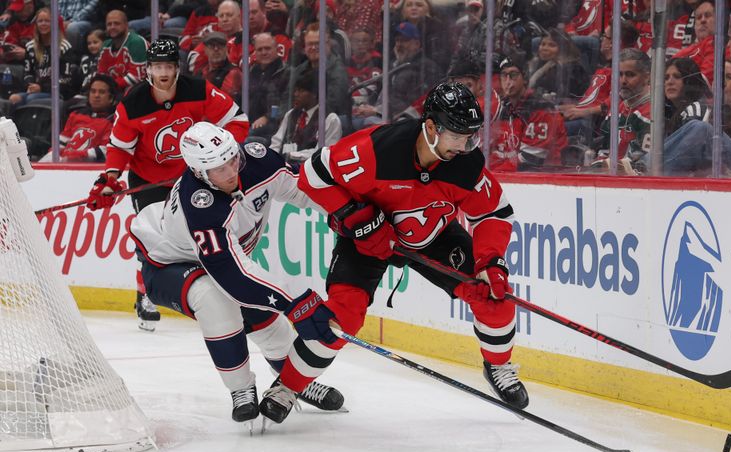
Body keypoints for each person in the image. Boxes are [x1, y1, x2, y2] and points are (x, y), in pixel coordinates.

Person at [267, 81, 529, 425]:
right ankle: (287, 387)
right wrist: (356, 216)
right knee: (340, 319)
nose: (466, 145)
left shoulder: (466, 163)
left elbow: (493, 214)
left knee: (495, 297)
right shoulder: (376, 148)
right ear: (431, 128)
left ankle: (498, 366)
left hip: (434, 237)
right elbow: (313, 177)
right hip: (367, 242)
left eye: (472, 136)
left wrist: (490, 261)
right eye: (458, 135)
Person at [129, 121, 345, 425]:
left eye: (232, 160)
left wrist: (343, 212)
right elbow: (234, 276)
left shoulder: (255, 159)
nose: (231, 172)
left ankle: (296, 381)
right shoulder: (199, 205)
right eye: (219, 169)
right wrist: (297, 302)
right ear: (199, 173)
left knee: (266, 318)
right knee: (216, 299)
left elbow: (301, 189)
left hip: (221, 262)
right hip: (168, 266)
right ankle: (241, 389)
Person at [85, 38, 250, 332]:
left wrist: (217, 156)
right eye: (157, 66)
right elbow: (120, 147)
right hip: (149, 178)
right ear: (148, 69)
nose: (163, 72)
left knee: (205, 230)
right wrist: (110, 179)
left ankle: (215, 291)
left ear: (177, 69)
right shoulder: (133, 103)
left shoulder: (199, 90)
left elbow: (237, 121)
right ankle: (145, 293)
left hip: (193, 177)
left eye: (168, 66)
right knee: (155, 237)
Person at [491, 56, 567, 171]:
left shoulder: (540, 107)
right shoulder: (501, 107)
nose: (508, 81)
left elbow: (531, 159)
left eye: (513, 75)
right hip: (510, 175)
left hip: (546, 177)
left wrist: (493, 172)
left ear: (525, 78)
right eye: (504, 75)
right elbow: (496, 151)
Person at [38, 74, 116, 162]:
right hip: (63, 161)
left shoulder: (114, 121)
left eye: (101, 92)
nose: (96, 95)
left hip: (86, 167)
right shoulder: (75, 115)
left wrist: (70, 157)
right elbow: (60, 143)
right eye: (93, 91)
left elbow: (105, 151)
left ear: (111, 98)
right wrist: (55, 154)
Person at [10, 7, 79, 106]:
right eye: (40, 21)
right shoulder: (30, 47)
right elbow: (28, 72)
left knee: (31, 99)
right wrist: (31, 85)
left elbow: (66, 79)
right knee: (14, 98)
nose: (43, 24)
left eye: (47, 21)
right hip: (36, 90)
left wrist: (42, 87)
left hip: (58, 92)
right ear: (36, 25)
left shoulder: (64, 47)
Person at [269, 72, 342, 163]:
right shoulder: (291, 114)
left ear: (314, 94)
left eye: (301, 91)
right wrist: (270, 158)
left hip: (310, 168)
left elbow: (324, 152)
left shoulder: (330, 119)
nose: (296, 94)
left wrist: (292, 155)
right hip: (284, 165)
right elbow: (276, 143)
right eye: (295, 90)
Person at [249, 32, 289, 139]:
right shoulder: (252, 72)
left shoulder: (286, 73)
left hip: (274, 124)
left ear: (277, 49)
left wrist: (267, 117)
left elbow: (286, 104)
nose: (264, 52)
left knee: (248, 136)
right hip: (250, 120)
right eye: (260, 49)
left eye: (267, 48)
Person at [97, 10, 148, 92]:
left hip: (140, 91)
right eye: (109, 24)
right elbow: (101, 74)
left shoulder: (136, 42)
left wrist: (109, 87)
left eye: (116, 23)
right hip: (113, 90)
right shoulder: (105, 46)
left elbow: (137, 77)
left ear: (126, 25)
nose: (112, 27)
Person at [200, 31, 242, 103]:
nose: (216, 49)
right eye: (212, 46)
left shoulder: (233, 72)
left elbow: (225, 100)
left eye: (220, 45)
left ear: (226, 48)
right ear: (205, 50)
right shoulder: (200, 72)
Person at [78, 29, 106, 95]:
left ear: (104, 42)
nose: (92, 46)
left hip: (97, 93)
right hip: (83, 92)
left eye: (95, 42)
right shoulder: (85, 59)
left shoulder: (106, 58)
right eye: (89, 43)